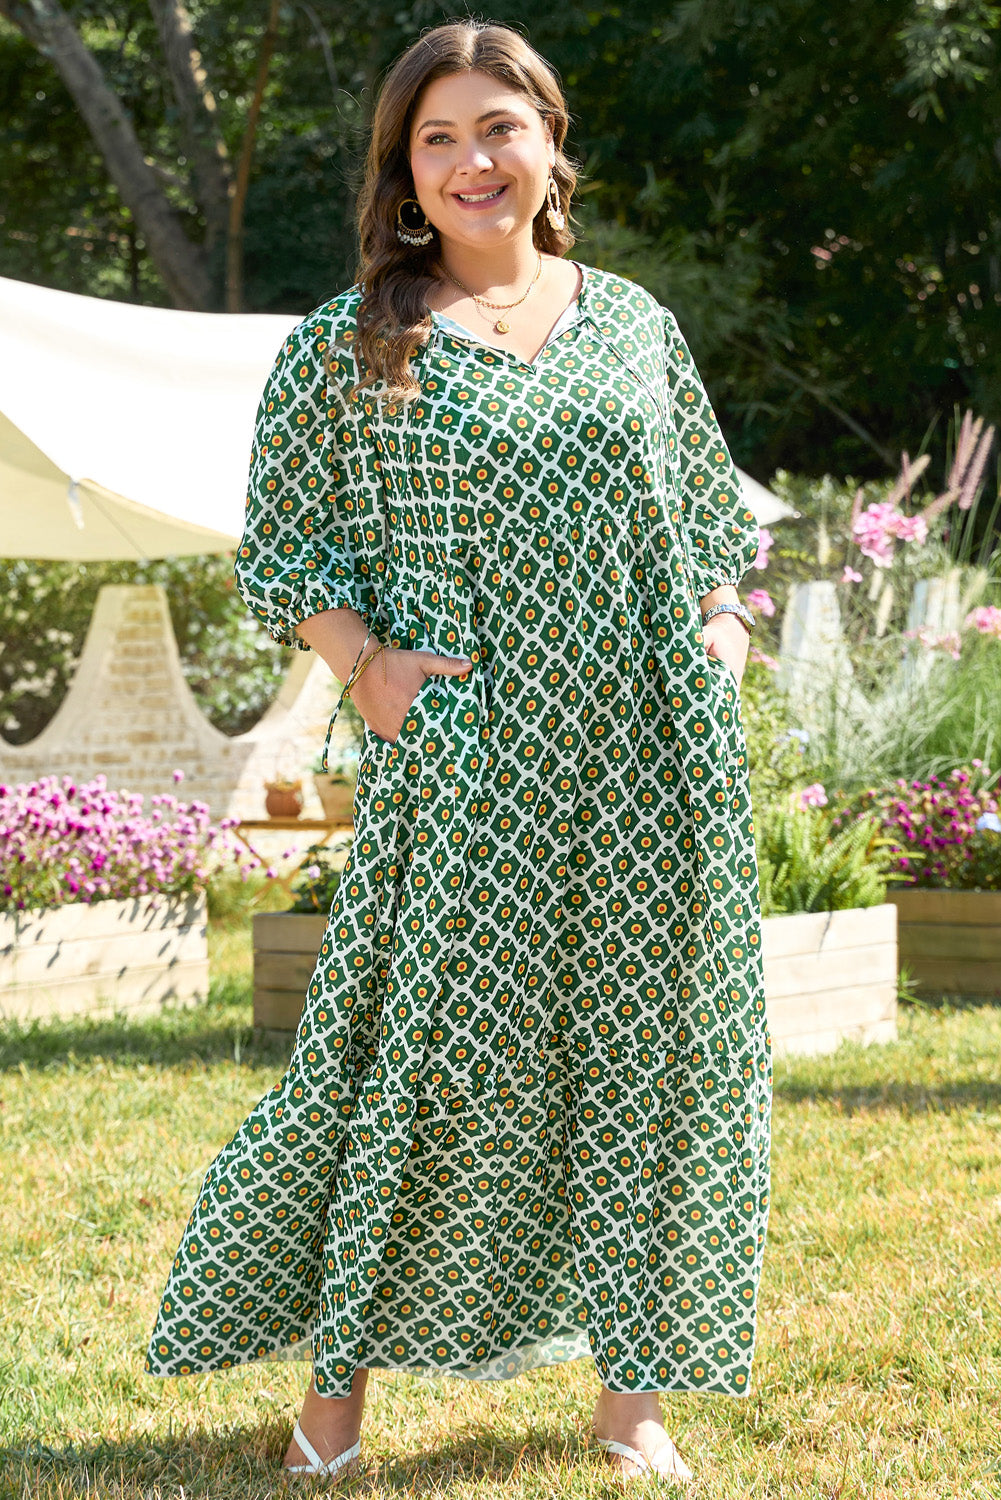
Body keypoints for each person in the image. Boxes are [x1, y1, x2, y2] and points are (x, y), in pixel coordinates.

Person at [145, 17, 771, 1487]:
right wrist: (364, 669)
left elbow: (706, 526)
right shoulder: (354, 337)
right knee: (414, 1066)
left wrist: (721, 633)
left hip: (651, 762)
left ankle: (633, 1403)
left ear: (548, 143)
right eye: (438, 138)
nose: (472, 160)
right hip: (469, 762)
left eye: (498, 127)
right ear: (404, 169)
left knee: (656, 1062)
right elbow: (286, 544)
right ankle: (335, 1405)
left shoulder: (633, 323)